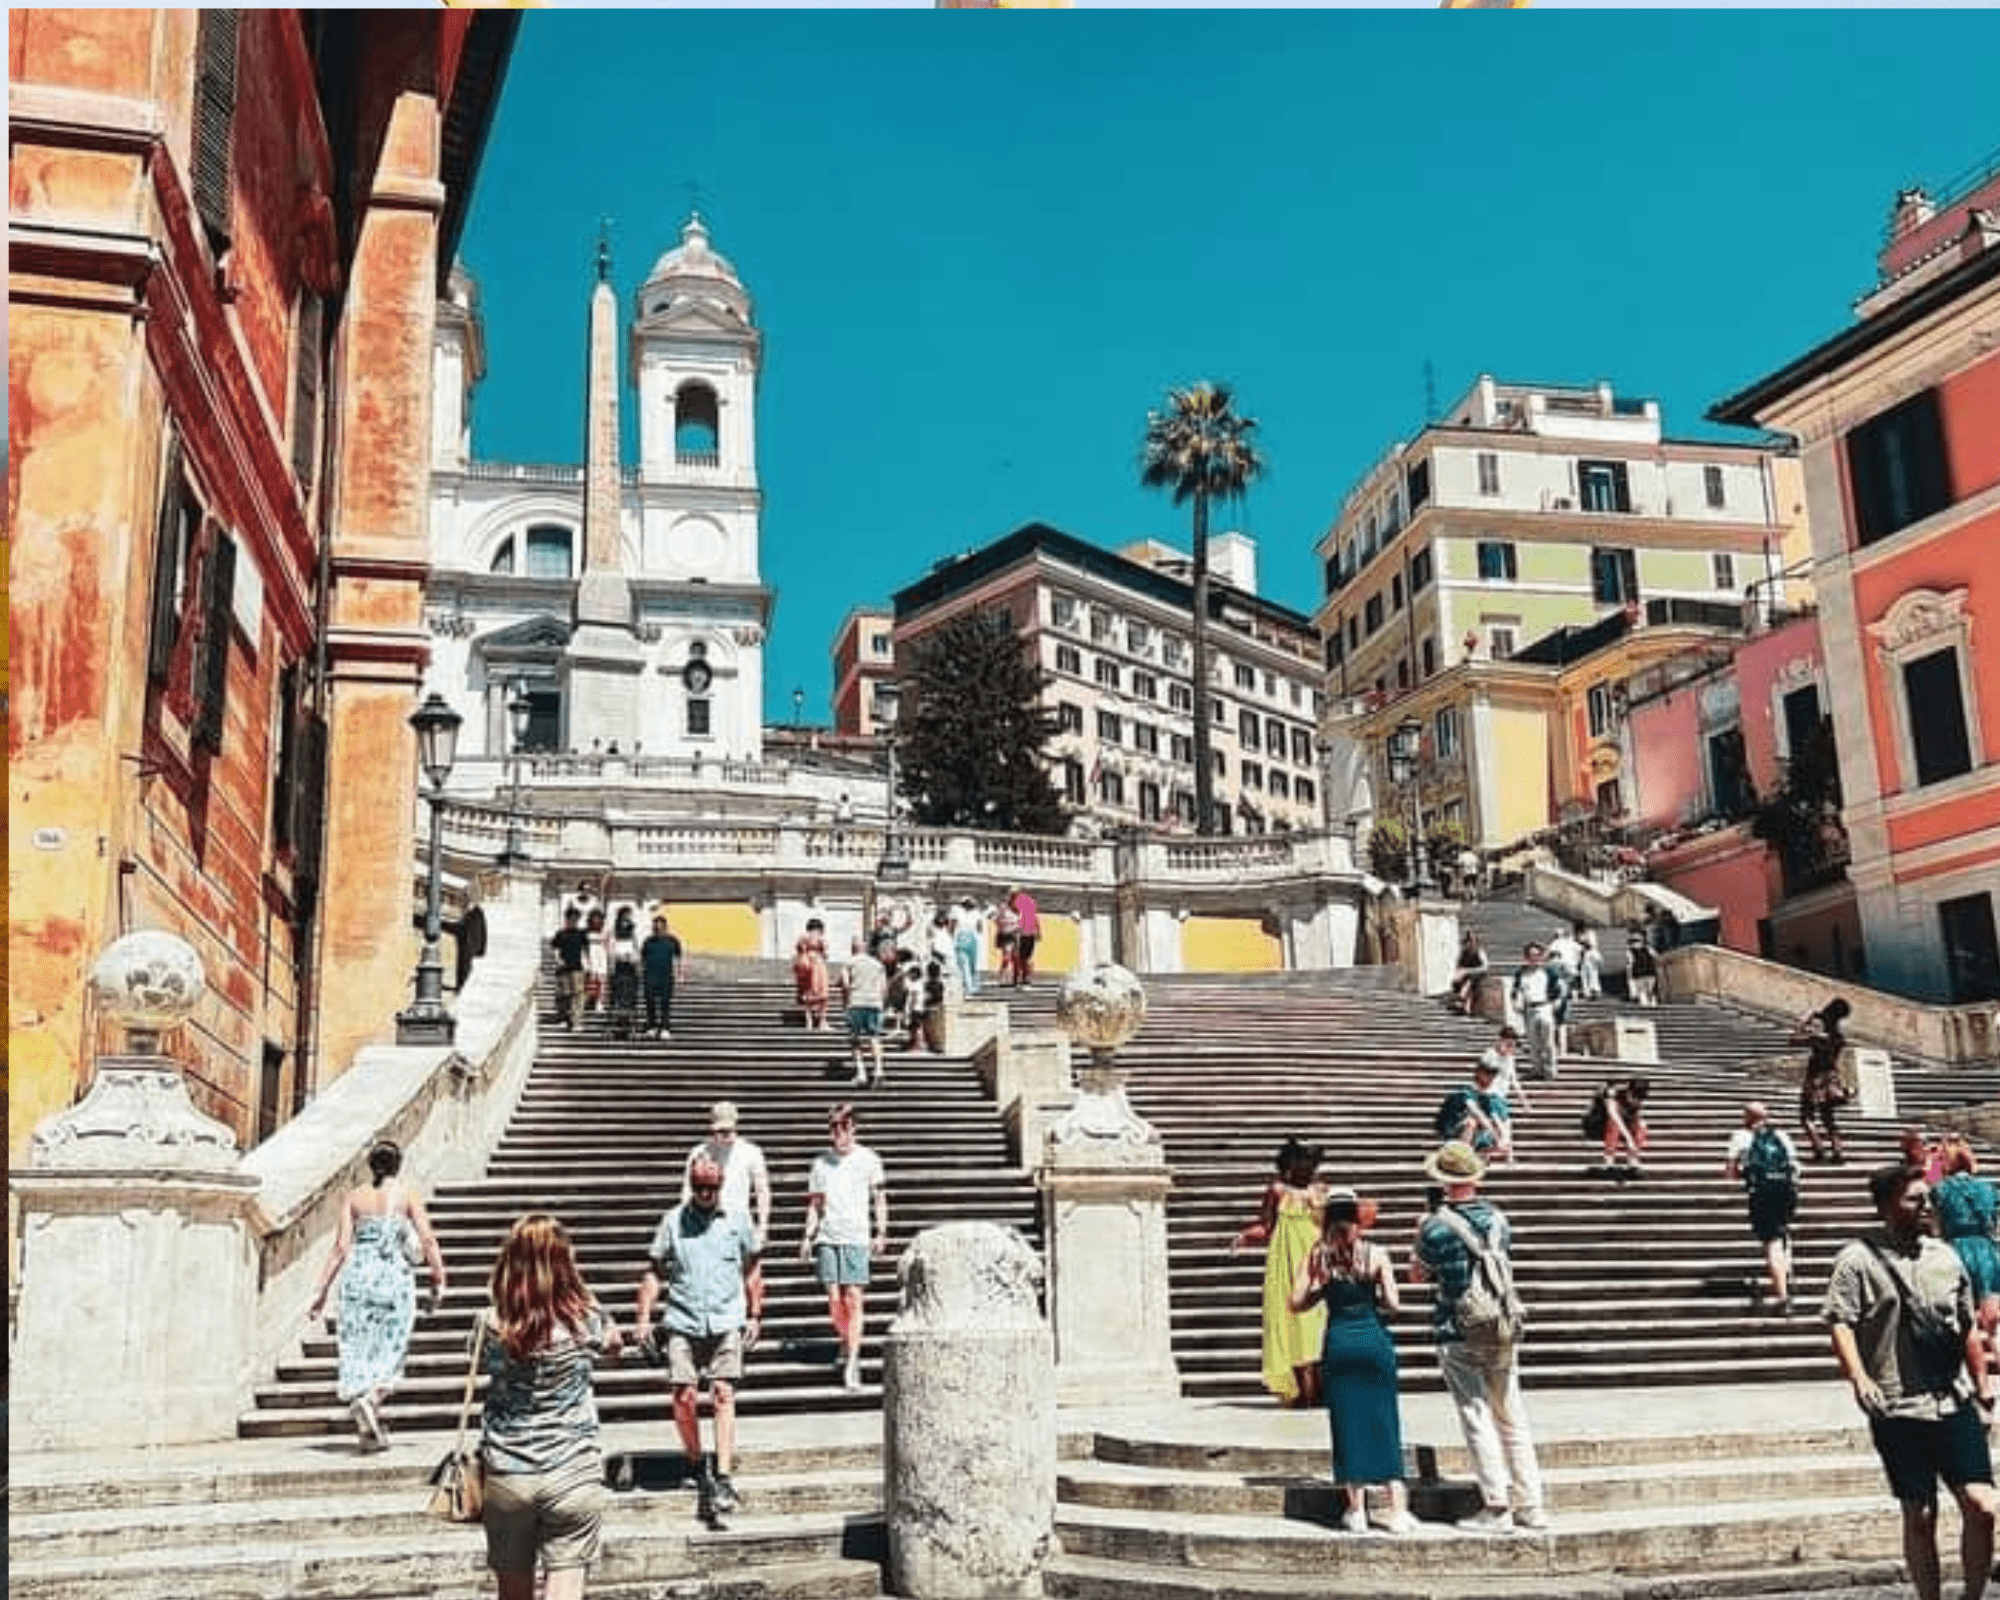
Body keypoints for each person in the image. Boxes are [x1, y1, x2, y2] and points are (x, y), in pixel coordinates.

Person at [1824, 1163, 1998, 1600]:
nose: (1926, 1205)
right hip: (1898, 1404)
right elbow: (1840, 1322)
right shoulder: (1857, 1259)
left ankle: (1973, 1596)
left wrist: (1982, 1382)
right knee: (1920, 1514)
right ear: (1886, 1204)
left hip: (1951, 1399)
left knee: (1983, 1507)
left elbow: (1965, 1327)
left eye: (1927, 1197)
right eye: (1914, 1198)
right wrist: (1859, 1377)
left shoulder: (1946, 1255)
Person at [476, 1214, 621, 1600]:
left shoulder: (490, 1322)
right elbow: (615, 1346)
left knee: (513, 1593)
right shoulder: (584, 1320)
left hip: (509, 1472)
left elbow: (482, 1364)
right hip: (573, 1469)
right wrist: (578, 1289)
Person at [1411, 1140, 1548, 1533]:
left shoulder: (1435, 1225)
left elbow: (1418, 1275)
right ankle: (1532, 1504)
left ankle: (1497, 1505)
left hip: (1458, 1327)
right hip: (1502, 1325)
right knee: (1512, 1417)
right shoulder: (1499, 1219)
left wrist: (1419, 1238)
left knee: (1476, 1416)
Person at [637, 1156, 763, 1521]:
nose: (707, 1194)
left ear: (721, 1186)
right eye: (700, 1187)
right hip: (682, 1319)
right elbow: (654, 1272)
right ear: (692, 1186)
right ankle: (694, 1457)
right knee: (683, 1395)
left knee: (723, 1392)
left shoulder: (738, 1220)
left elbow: (753, 1267)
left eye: (713, 1188)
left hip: (726, 1319)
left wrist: (755, 1313)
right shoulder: (674, 1222)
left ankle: (722, 1475)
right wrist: (644, 1318)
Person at [1287, 1187, 1417, 1534]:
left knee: (1348, 1425)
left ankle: (1357, 1510)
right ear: (1358, 1219)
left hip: (1340, 1343)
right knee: (1384, 1423)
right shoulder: (1375, 1253)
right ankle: (1396, 1509)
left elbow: (1295, 1302)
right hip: (1374, 1342)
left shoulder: (1318, 1256)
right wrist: (1370, 1291)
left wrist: (1323, 1290)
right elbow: (1394, 1303)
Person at [307, 1139, 447, 1451]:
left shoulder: (353, 1197)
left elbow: (341, 1248)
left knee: (360, 1347)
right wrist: (439, 1277)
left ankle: (369, 1432)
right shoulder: (407, 1194)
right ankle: (370, 1400)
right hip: (393, 1278)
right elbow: (427, 1239)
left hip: (358, 1277)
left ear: (371, 1166)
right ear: (398, 1165)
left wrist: (321, 1291)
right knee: (391, 1349)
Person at [1230, 1138, 1329, 1407]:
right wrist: (1245, 1237)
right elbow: (1267, 1226)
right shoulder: (1277, 1191)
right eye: (1302, 1161)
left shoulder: (1321, 1191)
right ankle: (1299, 1393)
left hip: (1314, 1264)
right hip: (1284, 1266)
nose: (1308, 1167)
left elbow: (1332, 1227)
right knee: (1290, 1326)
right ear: (1289, 1164)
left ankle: (1319, 1391)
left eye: (1312, 1162)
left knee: (1315, 1325)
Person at [800, 1103, 888, 1392]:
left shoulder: (869, 1159)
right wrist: (807, 1236)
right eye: (833, 1127)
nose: (838, 1133)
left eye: (844, 1127)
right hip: (828, 1236)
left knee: (853, 1297)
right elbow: (815, 1204)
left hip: (856, 1236)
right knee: (834, 1300)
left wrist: (881, 1231)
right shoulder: (821, 1163)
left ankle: (852, 1360)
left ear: (854, 1128)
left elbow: (879, 1198)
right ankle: (846, 1339)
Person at [1726, 1101, 1801, 1311]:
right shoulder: (1782, 1136)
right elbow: (1795, 1167)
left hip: (1761, 1193)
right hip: (1786, 1191)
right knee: (1783, 1231)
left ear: (1746, 1117)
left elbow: (1730, 1173)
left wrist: (1747, 1173)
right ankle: (1787, 1273)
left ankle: (1783, 1298)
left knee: (1772, 1242)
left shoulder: (1740, 1137)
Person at [681, 1101, 772, 1252]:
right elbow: (687, 1190)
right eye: (718, 1132)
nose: (722, 1137)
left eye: (726, 1131)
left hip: (739, 1224)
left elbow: (762, 1192)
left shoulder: (751, 1152)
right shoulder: (699, 1153)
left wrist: (763, 1227)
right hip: (705, 1225)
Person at [1933, 1136, 2000, 1339]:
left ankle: (1975, 1369)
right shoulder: (1988, 1188)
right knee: (1994, 1322)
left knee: (1965, 1319)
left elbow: (1936, 1228)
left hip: (1955, 1250)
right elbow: (1994, 1225)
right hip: (1986, 1250)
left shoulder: (1941, 1189)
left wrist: (1934, 1164)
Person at [1795, 997, 1853, 1163]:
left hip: (1815, 1078)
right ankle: (1838, 1152)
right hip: (1832, 1078)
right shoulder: (1840, 1039)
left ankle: (1819, 1149)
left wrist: (1806, 1018)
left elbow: (1792, 1039)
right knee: (1828, 1117)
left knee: (1806, 1116)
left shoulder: (1819, 1037)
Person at [1437, 1058, 1513, 1162]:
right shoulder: (1464, 1091)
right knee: (1472, 1121)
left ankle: (1483, 1153)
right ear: (1479, 1073)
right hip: (1453, 1131)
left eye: (1493, 1075)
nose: (1491, 1078)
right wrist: (1497, 1137)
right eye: (1488, 1074)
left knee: (1500, 1125)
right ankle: (1462, 1155)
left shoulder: (1490, 1097)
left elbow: (1497, 1118)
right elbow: (1476, 1113)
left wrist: (1504, 1138)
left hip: (1478, 1135)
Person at [1510, 943, 1564, 1080]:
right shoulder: (1521, 973)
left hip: (1545, 1006)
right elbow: (1516, 990)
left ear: (1541, 956)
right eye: (1530, 955)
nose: (1534, 958)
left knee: (1548, 1041)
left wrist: (1556, 1003)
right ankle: (1537, 1068)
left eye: (1536, 955)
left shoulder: (1549, 971)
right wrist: (1516, 1001)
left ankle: (1551, 1069)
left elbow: (1558, 989)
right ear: (1526, 957)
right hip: (1529, 1009)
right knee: (1533, 1042)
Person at [841, 937, 888, 1088]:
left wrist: (845, 1004)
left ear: (852, 948)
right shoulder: (877, 964)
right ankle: (879, 1070)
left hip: (856, 1002)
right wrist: (880, 1004)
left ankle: (861, 1073)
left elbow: (846, 985)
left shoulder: (849, 963)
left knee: (855, 1039)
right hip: (874, 1003)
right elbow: (883, 988)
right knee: (874, 1037)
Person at [1586, 1075, 1650, 1176]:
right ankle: (1609, 1161)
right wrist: (1629, 1139)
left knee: (1641, 1125)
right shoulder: (1612, 1095)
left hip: (1621, 1124)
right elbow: (1615, 1117)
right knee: (1614, 1124)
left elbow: (1637, 1118)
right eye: (1634, 1097)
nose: (1635, 1101)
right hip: (1597, 1124)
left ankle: (1632, 1161)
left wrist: (1637, 1137)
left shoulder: (1637, 1100)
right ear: (1629, 1091)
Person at [640, 913, 684, 1040]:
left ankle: (665, 1027)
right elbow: (643, 958)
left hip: (666, 976)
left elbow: (678, 958)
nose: (658, 929)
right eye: (655, 927)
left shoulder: (673, 941)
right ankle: (651, 1026)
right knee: (650, 1002)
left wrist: (679, 974)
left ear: (665, 927)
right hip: (650, 976)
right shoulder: (648, 941)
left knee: (665, 1003)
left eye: (660, 927)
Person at [1478, 1025, 1533, 1114]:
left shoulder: (1510, 1059)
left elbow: (1514, 1081)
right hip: (1488, 1097)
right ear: (1500, 1040)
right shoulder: (1489, 1055)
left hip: (1501, 1097)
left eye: (1512, 1045)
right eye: (1508, 1044)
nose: (1510, 1048)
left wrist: (1524, 1102)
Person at [552, 908, 589, 1031]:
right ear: (566, 920)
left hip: (577, 968)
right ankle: (563, 1018)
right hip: (563, 968)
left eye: (575, 919)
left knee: (578, 995)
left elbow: (585, 950)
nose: (573, 922)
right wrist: (558, 960)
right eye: (570, 919)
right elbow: (555, 949)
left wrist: (587, 965)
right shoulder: (560, 934)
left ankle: (576, 1021)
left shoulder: (581, 934)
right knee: (563, 995)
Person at [793, 918, 832, 1031]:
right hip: (818, 965)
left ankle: (808, 1021)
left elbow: (798, 951)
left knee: (808, 993)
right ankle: (822, 1021)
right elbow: (825, 953)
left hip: (805, 966)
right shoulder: (821, 938)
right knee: (822, 994)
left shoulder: (803, 938)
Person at [1448, 931, 1489, 1016]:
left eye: (1471, 942)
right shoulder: (1463, 953)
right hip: (1467, 976)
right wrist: (1459, 973)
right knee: (1463, 981)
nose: (1469, 944)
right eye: (1468, 942)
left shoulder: (1479, 952)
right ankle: (1465, 1006)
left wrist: (1467, 971)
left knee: (1470, 980)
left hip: (1478, 974)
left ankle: (1462, 998)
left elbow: (1484, 967)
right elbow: (1459, 966)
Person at [1008, 887, 1043, 987]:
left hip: (1021, 932)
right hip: (1031, 932)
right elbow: (1035, 916)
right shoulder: (1031, 901)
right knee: (1026, 957)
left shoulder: (1016, 900)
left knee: (1019, 956)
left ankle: (1020, 977)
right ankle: (1025, 977)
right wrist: (1038, 930)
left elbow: (1016, 915)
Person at [582, 906, 610, 1015]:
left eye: (599, 918)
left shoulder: (606, 932)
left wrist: (609, 960)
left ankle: (600, 1003)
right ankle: (589, 1002)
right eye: (594, 918)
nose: (596, 921)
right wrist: (585, 961)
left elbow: (609, 946)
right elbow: (583, 948)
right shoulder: (585, 932)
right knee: (590, 982)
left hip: (602, 957)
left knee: (601, 982)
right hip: (591, 957)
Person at [953, 900, 983, 997]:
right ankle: (968, 987)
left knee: (973, 964)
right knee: (963, 964)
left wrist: (978, 936)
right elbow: (952, 925)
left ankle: (974, 986)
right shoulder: (956, 911)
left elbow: (979, 926)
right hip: (961, 936)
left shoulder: (976, 913)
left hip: (973, 937)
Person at [1625, 928, 1660, 1007]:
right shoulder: (1631, 952)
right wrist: (1630, 979)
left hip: (1648, 973)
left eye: (1637, 940)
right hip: (1640, 975)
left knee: (1649, 990)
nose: (1636, 944)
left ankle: (1651, 1002)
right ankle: (1647, 1003)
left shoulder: (1647, 949)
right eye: (1633, 941)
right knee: (1644, 991)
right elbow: (1629, 965)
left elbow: (1656, 957)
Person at [994, 897, 1021, 985]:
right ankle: (1005, 977)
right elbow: (998, 921)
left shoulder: (1014, 911)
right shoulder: (1004, 911)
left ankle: (1014, 977)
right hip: (1008, 934)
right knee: (1008, 957)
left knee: (1013, 957)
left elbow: (1019, 923)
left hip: (1012, 934)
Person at [1575, 925, 1603, 999]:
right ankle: (1588, 992)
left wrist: (1583, 943)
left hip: (1591, 955)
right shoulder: (1583, 935)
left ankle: (1594, 990)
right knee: (1585, 974)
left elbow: (1590, 945)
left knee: (1592, 974)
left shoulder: (1590, 934)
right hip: (1586, 957)